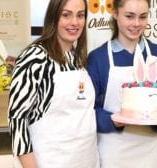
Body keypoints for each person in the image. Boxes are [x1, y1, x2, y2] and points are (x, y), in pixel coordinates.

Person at [8, 0, 99, 167]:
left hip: (85, 160)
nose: (75, 22)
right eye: (66, 15)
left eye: (80, 15)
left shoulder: (76, 57)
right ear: (53, 17)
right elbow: (17, 120)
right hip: (49, 161)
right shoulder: (34, 57)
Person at [86, 0, 157, 167]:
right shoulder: (98, 58)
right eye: (129, 16)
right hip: (112, 151)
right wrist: (112, 120)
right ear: (115, 14)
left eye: (143, 17)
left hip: (150, 152)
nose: (136, 24)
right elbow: (88, 111)